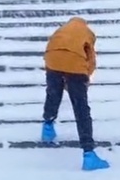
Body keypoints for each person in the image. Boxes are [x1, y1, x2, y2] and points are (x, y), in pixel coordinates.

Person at [41, 16, 110, 171]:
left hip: (52, 60)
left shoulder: (60, 30)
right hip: (75, 64)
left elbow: (50, 48)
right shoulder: (87, 33)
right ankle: (89, 154)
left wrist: (54, 76)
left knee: (53, 95)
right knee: (81, 109)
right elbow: (90, 58)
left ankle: (47, 127)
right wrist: (85, 78)